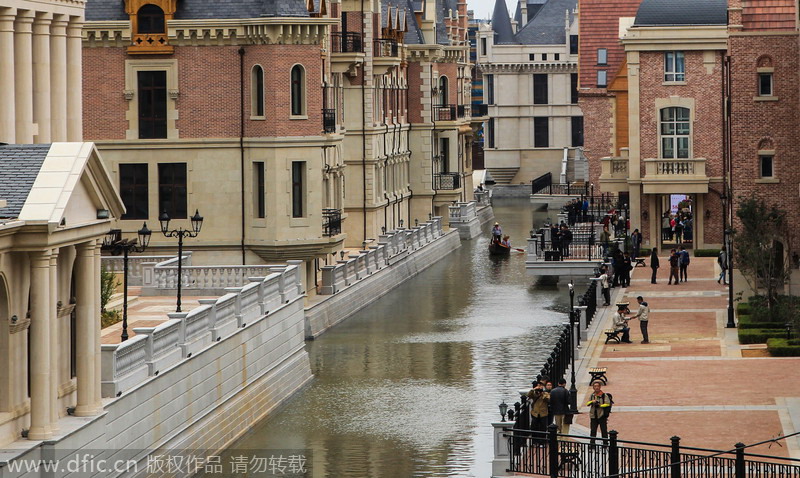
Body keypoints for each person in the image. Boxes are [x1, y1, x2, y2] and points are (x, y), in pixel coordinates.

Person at [586, 380, 612, 447]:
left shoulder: (604, 395)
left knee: (604, 430)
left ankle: (605, 443)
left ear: (600, 387)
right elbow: (587, 403)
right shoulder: (592, 395)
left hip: (601, 415)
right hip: (593, 415)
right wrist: (592, 401)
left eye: (598, 386)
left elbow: (608, 404)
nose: (596, 387)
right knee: (593, 430)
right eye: (595, 386)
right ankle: (592, 444)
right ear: (593, 388)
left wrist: (600, 405)